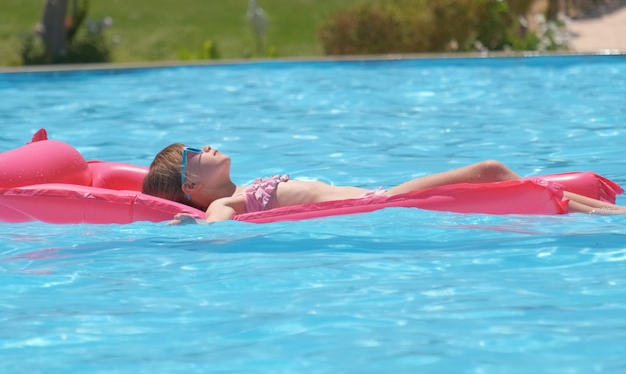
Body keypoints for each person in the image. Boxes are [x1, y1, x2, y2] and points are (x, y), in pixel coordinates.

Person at [142, 143, 626, 224]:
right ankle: (612, 218)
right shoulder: (229, 200)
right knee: (495, 172)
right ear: (189, 185)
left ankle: (603, 214)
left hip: (384, 194)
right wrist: (194, 223)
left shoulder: (241, 187)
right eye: (191, 155)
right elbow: (216, 222)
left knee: (498, 176)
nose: (204, 147)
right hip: (386, 201)